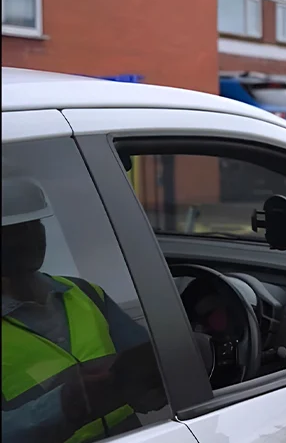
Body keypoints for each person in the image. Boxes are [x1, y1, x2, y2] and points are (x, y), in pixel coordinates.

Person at [1, 171, 166, 443]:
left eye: (35, 222)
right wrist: (67, 404)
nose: (31, 236)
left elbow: (154, 363)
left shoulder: (86, 292)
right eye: (14, 229)